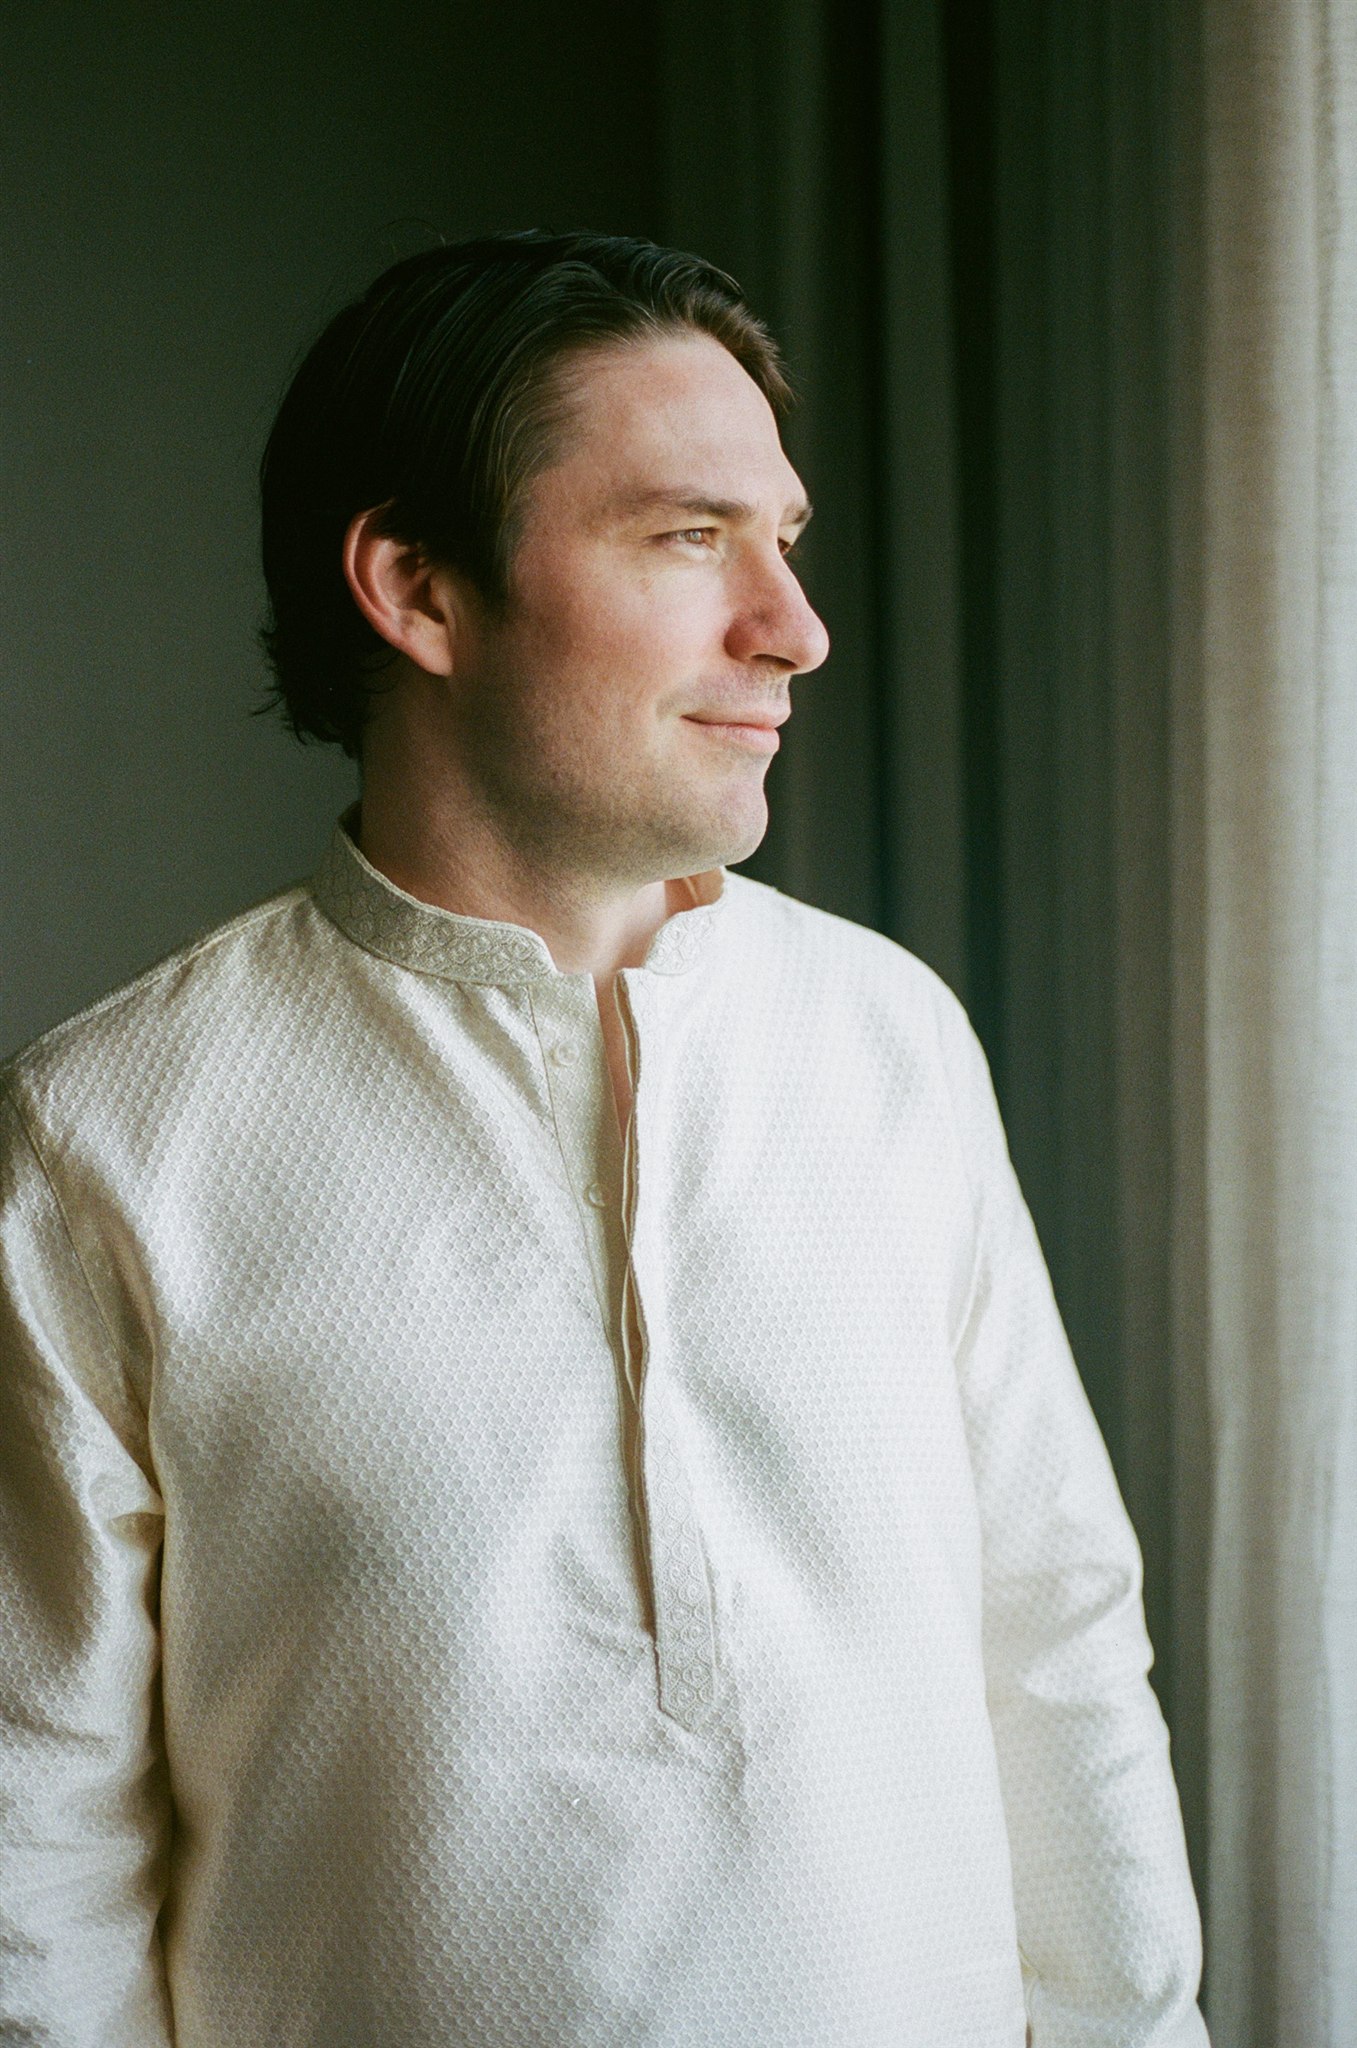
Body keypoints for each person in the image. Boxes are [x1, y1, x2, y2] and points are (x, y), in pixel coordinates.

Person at [0, 229, 1209, 2047]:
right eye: (685, 536)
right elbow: (37, 1845)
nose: (791, 627)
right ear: (416, 586)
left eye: (781, 541)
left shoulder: (892, 1042)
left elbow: (1055, 1654)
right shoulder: (108, 1135)